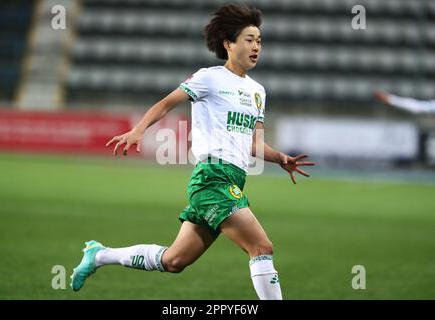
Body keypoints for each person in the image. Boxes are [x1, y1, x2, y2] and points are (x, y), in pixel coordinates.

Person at [70, 4, 314, 300]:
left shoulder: (257, 92)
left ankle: (99, 255)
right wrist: (139, 129)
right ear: (228, 44)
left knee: (174, 261)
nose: (256, 47)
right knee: (261, 248)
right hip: (212, 178)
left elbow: (253, 143)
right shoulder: (209, 78)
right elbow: (166, 103)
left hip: (234, 179)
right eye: (249, 39)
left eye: (259, 41)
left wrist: (280, 159)